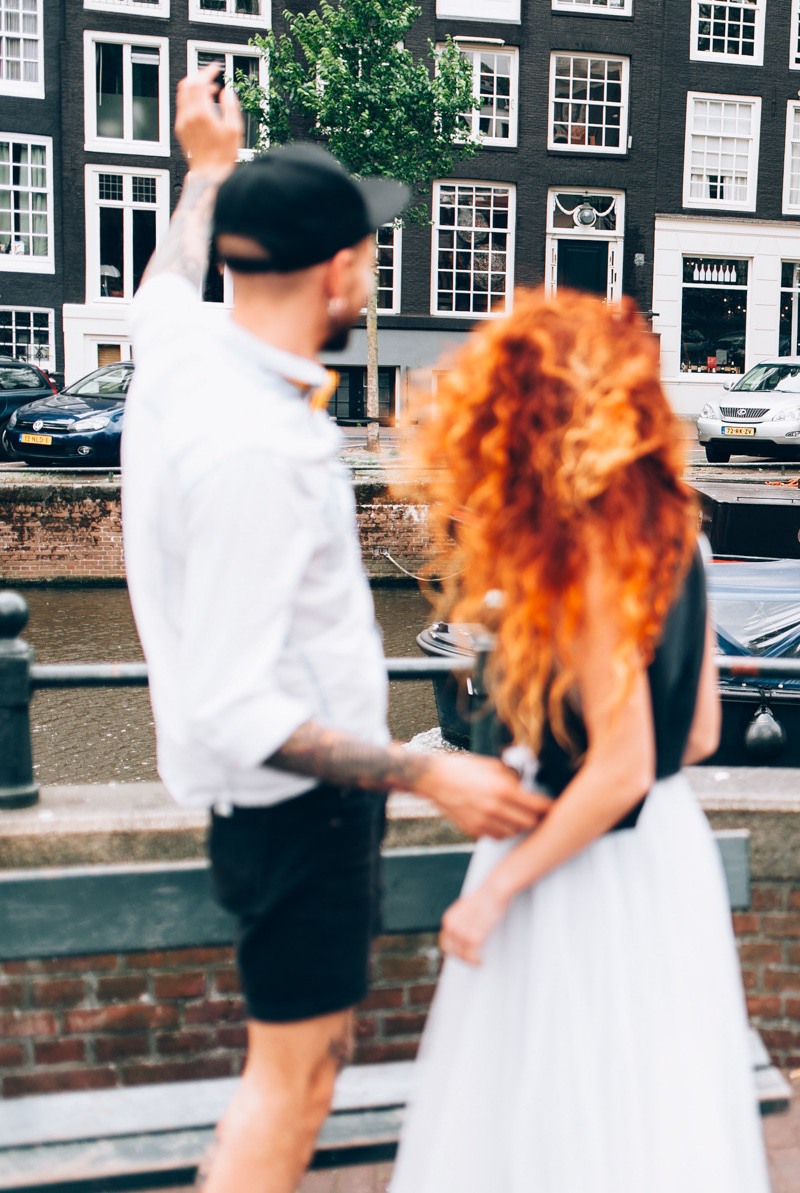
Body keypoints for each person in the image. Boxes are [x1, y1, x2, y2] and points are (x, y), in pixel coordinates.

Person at [120, 68, 548, 1193]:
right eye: (367, 244)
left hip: (276, 809)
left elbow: (163, 284)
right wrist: (426, 772)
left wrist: (208, 167)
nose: (374, 259)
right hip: (299, 813)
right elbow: (233, 701)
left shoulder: (182, 354)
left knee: (312, 1055)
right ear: (340, 269)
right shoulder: (258, 445)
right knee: (292, 1082)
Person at [389, 294, 769, 1189]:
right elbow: (699, 730)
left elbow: (622, 765)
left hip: (578, 870)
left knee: (542, 1119)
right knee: (644, 1114)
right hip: (662, 864)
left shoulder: (585, 546)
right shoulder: (675, 525)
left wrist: (493, 893)